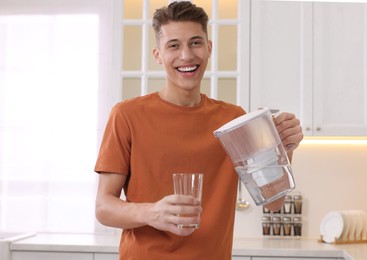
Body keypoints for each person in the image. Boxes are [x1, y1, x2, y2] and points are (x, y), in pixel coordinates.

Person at [94, 1, 303, 259]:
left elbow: (274, 202)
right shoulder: (126, 115)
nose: (186, 55)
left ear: (208, 48)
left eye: (195, 42)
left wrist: (284, 148)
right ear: (158, 54)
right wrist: (152, 212)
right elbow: (104, 207)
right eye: (174, 45)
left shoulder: (234, 120)